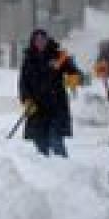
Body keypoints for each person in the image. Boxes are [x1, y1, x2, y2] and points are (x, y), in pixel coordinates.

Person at [19, 28, 82, 157]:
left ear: (47, 41)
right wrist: (27, 99)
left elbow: (75, 74)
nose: (40, 42)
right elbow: (23, 83)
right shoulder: (29, 60)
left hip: (56, 105)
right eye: (37, 40)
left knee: (56, 139)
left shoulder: (58, 56)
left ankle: (64, 168)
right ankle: (46, 173)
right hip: (37, 107)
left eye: (43, 40)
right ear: (33, 42)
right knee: (40, 142)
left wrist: (71, 78)